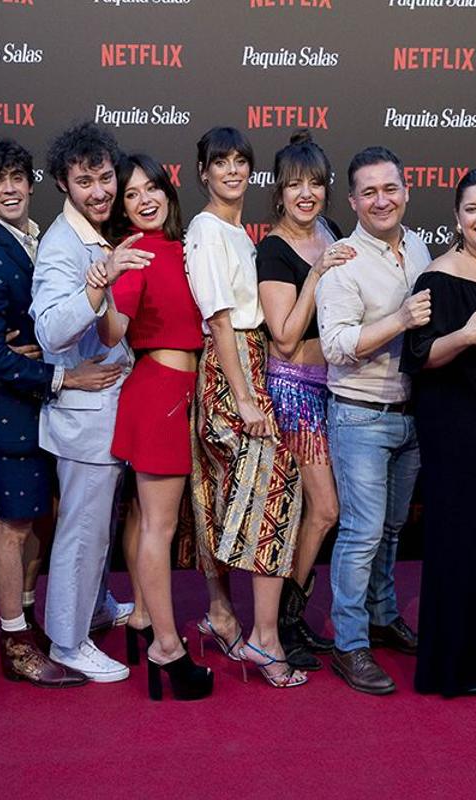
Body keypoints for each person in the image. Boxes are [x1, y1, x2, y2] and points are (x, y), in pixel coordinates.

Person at [0, 137, 118, 689]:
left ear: (31, 182)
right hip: (13, 407)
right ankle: (15, 640)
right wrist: (62, 374)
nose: (9, 189)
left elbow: (36, 326)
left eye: (15, 178)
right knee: (14, 524)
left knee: (44, 521)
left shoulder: (32, 236)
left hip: (45, 406)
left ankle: (41, 616)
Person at [90, 154, 213, 700]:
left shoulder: (181, 248)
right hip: (161, 393)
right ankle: (167, 645)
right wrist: (104, 288)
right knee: (159, 527)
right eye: (132, 194)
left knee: (144, 517)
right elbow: (115, 329)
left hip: (163, 392)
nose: (144, 199)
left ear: (167, 190)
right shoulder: (135, 255)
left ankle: (143, 615)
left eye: (152, 188)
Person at [186, 126, 306, 689]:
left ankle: (224, 615)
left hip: (253, 362)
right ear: (203, 172)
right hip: (233, 368)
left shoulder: (237, 231)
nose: (232, 170)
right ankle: (264, 639)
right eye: (220, 162)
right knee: (272, 493)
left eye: (240, 161)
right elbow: (217, 319)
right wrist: (242, 394)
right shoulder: (207, 231)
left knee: (227, 497)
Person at [402, 168, 476, 698]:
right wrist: (465, 336)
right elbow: (418, 356)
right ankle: (450, 665)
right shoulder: (436, 277)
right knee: (458, 536)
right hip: (453, 418)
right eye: (472, 209)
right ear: (456, 217)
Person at [316, 146, 432, 695]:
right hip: (360, 415)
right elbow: (336, 347)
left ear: (406, 191)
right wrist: (400, 319)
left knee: (390, 529)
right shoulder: (341, 259)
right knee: (361, 533)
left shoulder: (417, 244)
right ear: (353, 200)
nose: (381, 200)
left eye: (390, 189)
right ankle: (350, 643)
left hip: (411, 413)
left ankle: (383, 615)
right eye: (369, 192)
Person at [30, 122, 137, 683]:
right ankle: (68, 643)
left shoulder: (95, 232)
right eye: (84, 181)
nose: (99, 191)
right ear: (62, 184)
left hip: (105, 412)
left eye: (104, 178)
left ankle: (92, 608)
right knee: (81, 530)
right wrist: (95, 288)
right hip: (83, 418)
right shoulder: (61, 245)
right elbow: (50, 333)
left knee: (98, 524)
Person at [256, 130, 351, 672]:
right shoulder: (273, 249)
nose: (306, 195)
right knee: (324, 509)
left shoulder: (332, 231)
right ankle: (284, 623)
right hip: (293, 392)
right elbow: (286, 336)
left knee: (319, 513)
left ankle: (293, 619)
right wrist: (317, 272)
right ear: (279, 192)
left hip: (334, 387)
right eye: (295, 185)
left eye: (315, 183)